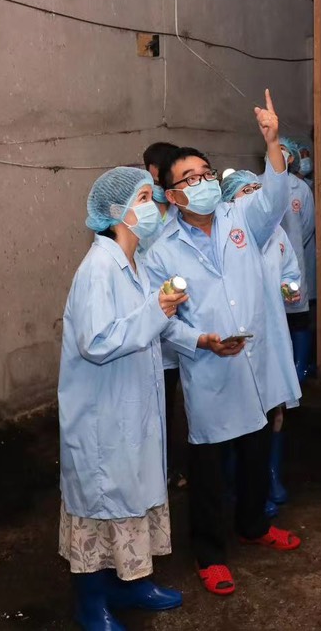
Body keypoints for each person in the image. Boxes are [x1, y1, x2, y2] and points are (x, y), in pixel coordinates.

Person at [145, 91, 303, 596]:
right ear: (172, 196)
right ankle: (209, 554)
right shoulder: (161, 250)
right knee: (209, 468)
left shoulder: (241, 219)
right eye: (189, 179)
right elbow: (162, 319)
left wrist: (272, 141)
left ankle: (253, 525)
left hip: (253, 360)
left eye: (206, 173)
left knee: (257, 451)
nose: (203, 182)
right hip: (209, 366)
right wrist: (201, 341)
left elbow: (274, 198)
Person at [59, 167, 206, 630]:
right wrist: (157, 309)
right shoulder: (98, 269)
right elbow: (96, 341)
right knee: (102, 504)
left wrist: (187, 330)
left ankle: (131, 583)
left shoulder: (134, 262)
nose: (154, 205)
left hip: (133, 409)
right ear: (115, 212)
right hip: (102, 417)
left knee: (135, 495)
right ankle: (91, 603)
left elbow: (149, 327)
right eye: (143, 198)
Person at [220, 169, 303, 517]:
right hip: (240, 339)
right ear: (229, 202)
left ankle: (270, 476)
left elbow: (291, 271)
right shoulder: (226, 237)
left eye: (258, 187)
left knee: (274, 410)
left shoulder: (278, 234)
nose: (255, 193)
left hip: (274, 336)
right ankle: (235, 483)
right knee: (238, 416)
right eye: (246, 190)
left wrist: (290, 287)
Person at [142, 141, 186, 489]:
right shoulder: (139, 214)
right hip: (151, 322)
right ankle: (161, 469)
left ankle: (177, 463)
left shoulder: (181, 212)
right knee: (159, 403)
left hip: (184, 320)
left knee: (185, 402)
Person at [277, 137, 316, 381]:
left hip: (294, 259)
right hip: (264, 264)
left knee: (298, 316)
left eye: (282, 150)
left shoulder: (301, 189)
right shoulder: (257, 184)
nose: (276, 153)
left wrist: (290, 250)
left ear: (291, 158)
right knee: (273, 318)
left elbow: (308, 225)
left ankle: (300, 367)